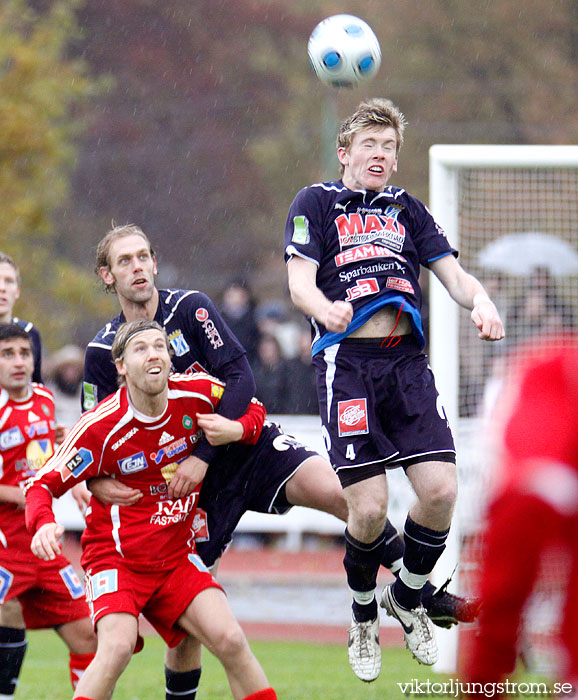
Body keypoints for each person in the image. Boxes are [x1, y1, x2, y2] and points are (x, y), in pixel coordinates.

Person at [84, 223, 480, 696]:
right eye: (125, 261)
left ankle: (416, 593)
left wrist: (209, 450)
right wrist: (94, 483)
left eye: (144, 256)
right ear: (107, 276)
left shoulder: (189, 308)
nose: (138, 268)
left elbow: (240, 376)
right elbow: (97, 437)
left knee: (344, 494)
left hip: (244, 448)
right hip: (188, 487)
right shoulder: (101, 351)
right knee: (186, 628)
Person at [284, 98, 504, 681]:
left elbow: (452, 275)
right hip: (347, 363)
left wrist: (480, 301)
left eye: (388, 147)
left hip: (406, 364)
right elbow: (299, 283)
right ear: (345, 152)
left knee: (440, 492)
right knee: (370, 506)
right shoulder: (316, 203)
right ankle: (362, 617)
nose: (380, 155)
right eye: (369, 145)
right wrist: (324, 309)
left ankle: (405, 598)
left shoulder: (408, 209)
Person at [26, 319, 276, 700]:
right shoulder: (101, 427)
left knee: (230, 638)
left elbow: (253, 407)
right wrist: (43, 523)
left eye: (160, 346)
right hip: (117, 560)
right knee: (117, 647)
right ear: (121, 367)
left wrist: (232, 433)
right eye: (141, 349)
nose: (154, 354)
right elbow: (43, 484)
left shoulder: (197, 393)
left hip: (175, 557)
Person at [465, 336, 578, 692]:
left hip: (524, 482)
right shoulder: (544, 370)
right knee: (502, 602)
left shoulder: (538, 367)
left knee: (500, 605)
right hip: (528, 482)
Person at [0, 323, 96, 699]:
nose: (19, 361)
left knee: (87, 634)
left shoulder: (44, 399)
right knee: (5, 614)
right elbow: (26, 485)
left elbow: (48, 457)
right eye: (8, 354)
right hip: (5, 544)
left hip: (42, 542)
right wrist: (22, 494)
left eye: (25, 353)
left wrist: (74, 484)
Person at [0, 253, 42, 383]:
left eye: (9, 281)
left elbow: (36, 386)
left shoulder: (29, 333)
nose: (2, 288)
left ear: (18, 291)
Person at [219, 278, 260, 367]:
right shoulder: (218, 319)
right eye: (230, 296)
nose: (234, 300)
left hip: (252, 365)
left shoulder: (255, 318)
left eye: (238, 295)